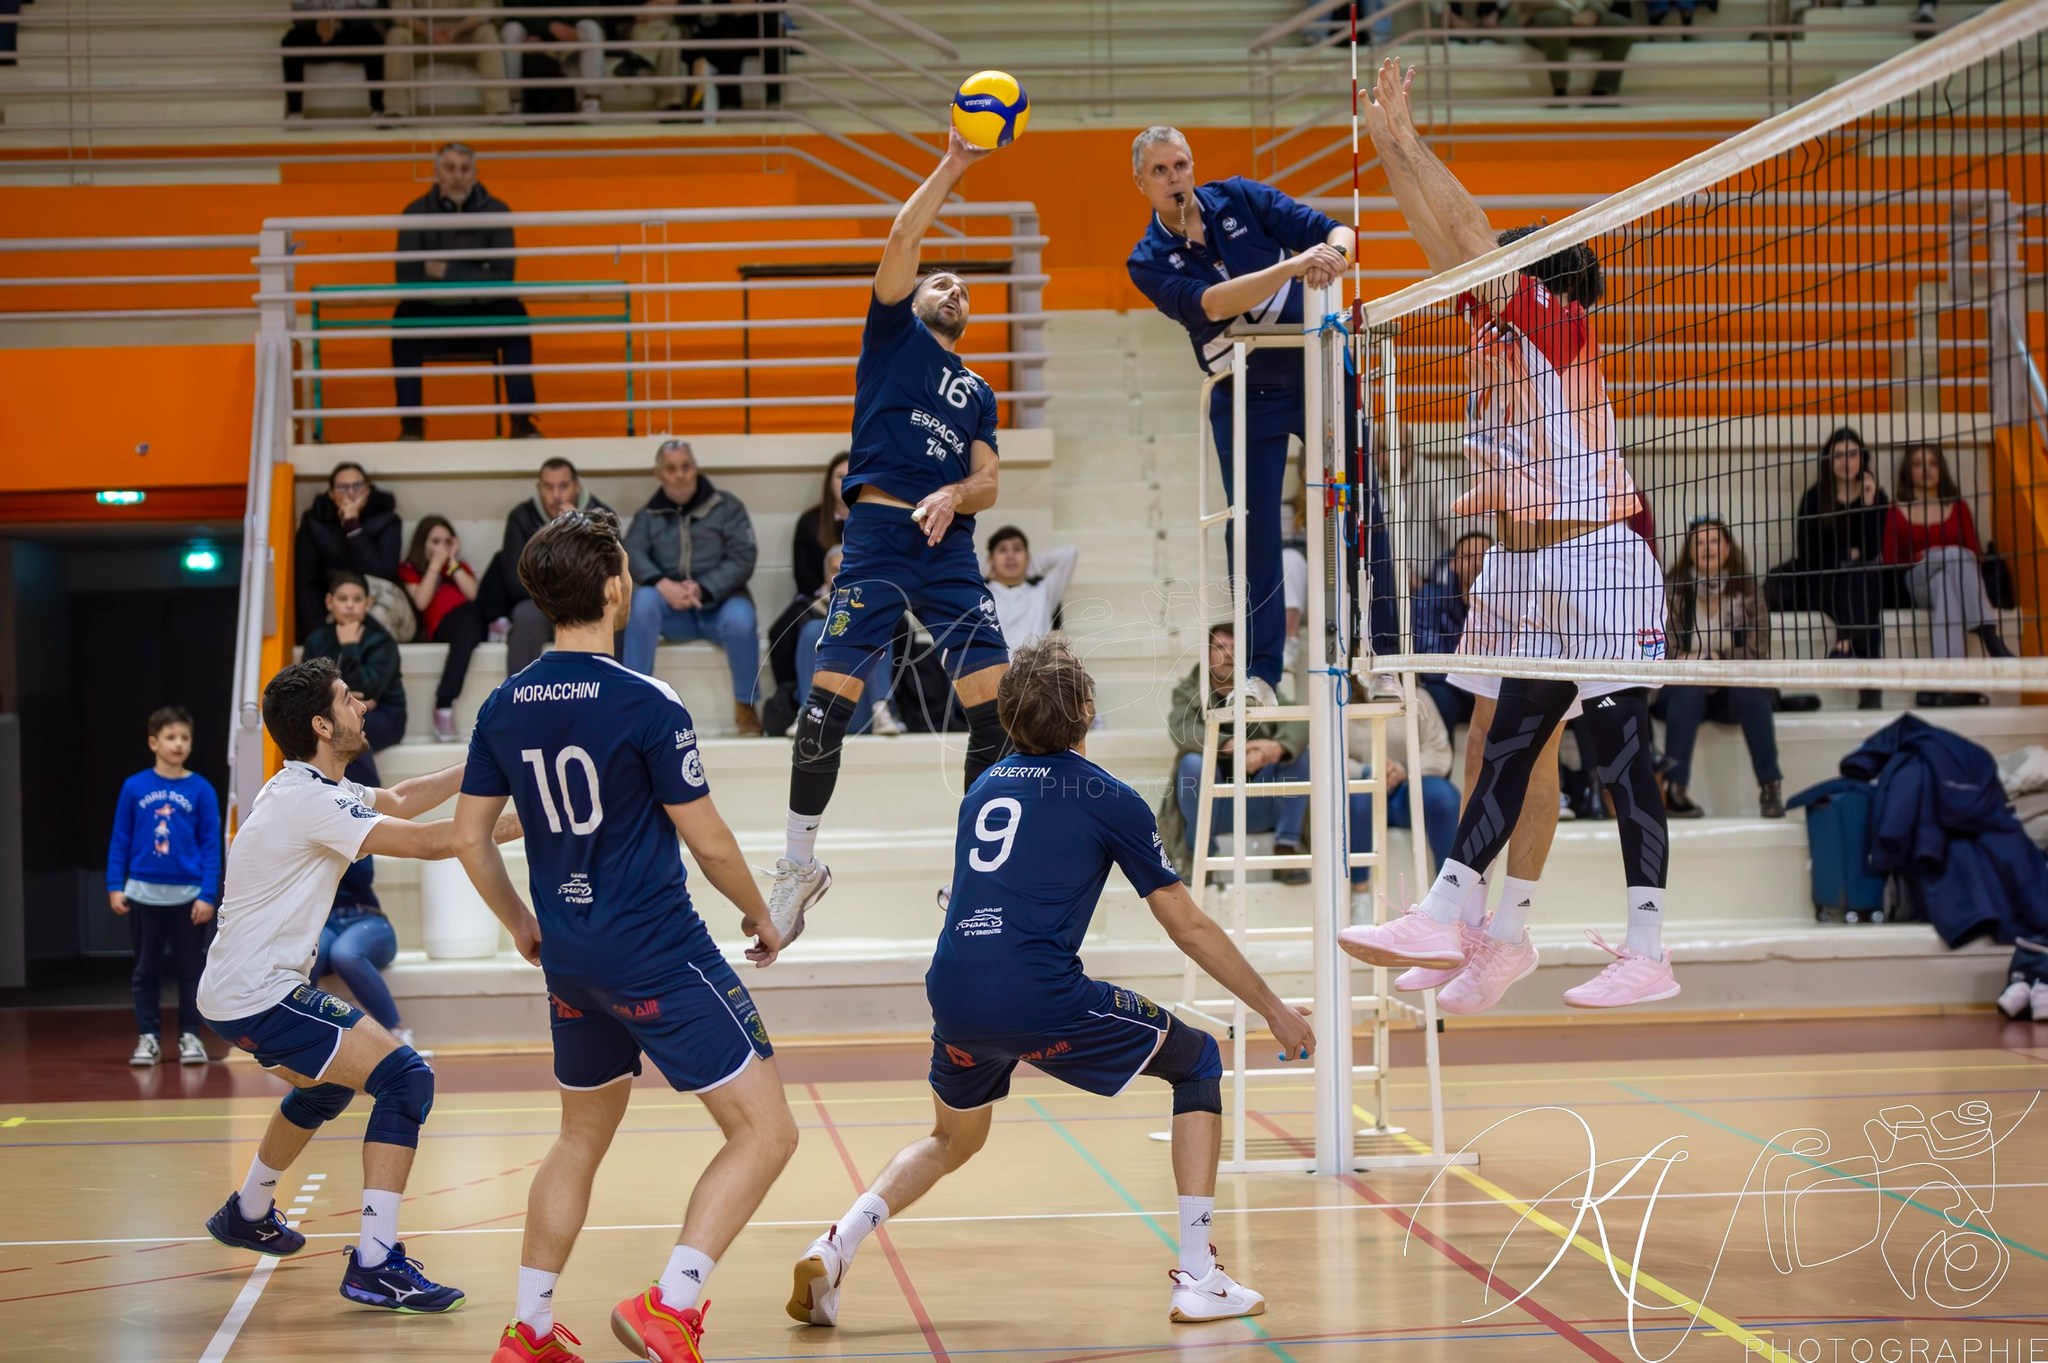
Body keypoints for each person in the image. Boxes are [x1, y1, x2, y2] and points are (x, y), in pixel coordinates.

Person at [788, 639, 1313, 1330]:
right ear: (1087, 709)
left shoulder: (983, 789)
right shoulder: (1109, 797)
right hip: (1035, 990)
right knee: (1197, 1060)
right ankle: (1197, 1274)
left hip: (954, 987)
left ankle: (836, 1244)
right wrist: (1272, 1007)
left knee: (952, 1139)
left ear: (1007, 716)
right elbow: (1186, 924)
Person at [1339, 59, 1674, 1016]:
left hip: (1595, 562)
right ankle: (1491, 932)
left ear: (1543, 273)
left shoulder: (1557, 323)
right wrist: (1387, 145)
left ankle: (1642, 944)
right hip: (1520, 568)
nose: (1487, 265)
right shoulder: (1497, 328)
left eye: (1510, 257)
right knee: (1492, 740)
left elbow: (1468, 235)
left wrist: (1408, 140)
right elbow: (1442, 241)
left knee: (1615, 756)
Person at [448, 507, 796, 1363]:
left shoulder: (502, 704)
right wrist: (761, 913)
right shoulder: (646, 700)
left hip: (568, 958)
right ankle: (668, 1306)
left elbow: (466, 837)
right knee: (768, 1132)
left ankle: (529, 1329)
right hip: (657, 951)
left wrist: (521, 923)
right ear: (613, 586)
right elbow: (708, 839)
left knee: (578, 1137)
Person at [196, 657, 518, 1313]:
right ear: (321, 723)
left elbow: (401, 800)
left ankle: (248, 1211)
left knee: (329, 1085)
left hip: (241, 987)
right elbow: (434, 842)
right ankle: (375, 1261)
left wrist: (494, 761)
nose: (361, 705)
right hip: (260, 990)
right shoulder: (311, 800)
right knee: (406, 1077)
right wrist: (532, 817)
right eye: (347, 699)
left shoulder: (311, 783)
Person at [766, 129, 1016, 944]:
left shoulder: (977, 389)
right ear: (912, 297)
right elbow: (904, 236)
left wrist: (954, 490)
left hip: (947, 544)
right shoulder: (892, 336)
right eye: (940, 280)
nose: (953, 287)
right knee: (823, 709)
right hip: (876, 535)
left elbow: (989, 481)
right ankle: (800, 864)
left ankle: (973, 877)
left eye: (963, 286)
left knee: (998, 714)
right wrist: (957, 162)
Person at [1126, 125, 1362, 708]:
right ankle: (1261, 674)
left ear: (1193, 165)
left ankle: (1370, 650)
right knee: (1250, 524)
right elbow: (1210, 304)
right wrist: (1293, 267)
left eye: (1180, 165)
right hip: (1244, 383)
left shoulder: (1240, 196)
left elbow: (1337, 232)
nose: (1174, 178)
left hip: (1318, 368)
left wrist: (1335, 254)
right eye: (1159, 171)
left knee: (1360, 499)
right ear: (1141, 183)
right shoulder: (1147, 259)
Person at [393, 143, 540, 441]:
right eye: (449, 168)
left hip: (483, 312)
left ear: (475, 175)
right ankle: (410, 428)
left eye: (465, 169)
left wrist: (445, 270)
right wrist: (477, 272)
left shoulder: (498, 211)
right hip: (432, 313)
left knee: (514, 316)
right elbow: (407, 280)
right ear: (436, 174)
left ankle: (523, 424)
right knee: (403, 320)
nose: (457, 176)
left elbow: (503, 278)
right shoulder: (414, 213)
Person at [620, 438, 764, 734]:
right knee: (643, 601)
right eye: (671, 469)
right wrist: (663, 584)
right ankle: (635, 701)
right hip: (673, 611)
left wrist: (703, 587)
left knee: (742, 619)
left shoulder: (728, 507)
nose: (680, 475)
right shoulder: (647, 516)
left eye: (686, 467)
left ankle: (746, 707)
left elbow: (743, 557)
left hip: (720, 603)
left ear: (695, 468)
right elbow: (631, 552)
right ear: (658, 475)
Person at [107, 706, 223, 1068]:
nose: (178, 744)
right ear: (153, 742)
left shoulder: (201, 789)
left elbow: (211, 846)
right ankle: (149, 1038)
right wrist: (115, 884)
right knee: (146, 970)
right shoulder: (134, 787)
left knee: (191, 972)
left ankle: (190, 1035)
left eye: (184, 738)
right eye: (171, 738)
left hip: (189, 898)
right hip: (143, 894)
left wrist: (208, 893)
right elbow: (120, 839)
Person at [1163, 623, 1311, 886]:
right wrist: (1232, 746)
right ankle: (1202, 855)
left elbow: (1297, 721)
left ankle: (1286, 849)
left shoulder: (1263, 689)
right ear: (1207, 655)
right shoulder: (1188, 692)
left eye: (1234, 647)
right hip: (1215, 808)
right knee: (1191, 763)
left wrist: (1275, 749)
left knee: (1298, 753)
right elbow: (1181, 730)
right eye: (1220, 647)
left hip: (1261, 800)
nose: (1228, 654)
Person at [1658, 517, 1783, 819]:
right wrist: (1698, 663)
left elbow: (1758, 648)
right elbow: (1664, 647)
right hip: (1682, 690)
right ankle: (1675, 790)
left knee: (1751, 689)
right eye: (1699, 542)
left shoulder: (1747, 587)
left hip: (1731, 690)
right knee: (1689, 689)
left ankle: (1770, 786)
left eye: (1714, 541)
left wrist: (1717, 662)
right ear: (1689, 550)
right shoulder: (1674, 589)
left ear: (1727, 548)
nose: (1707, 548)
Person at [1767, 425, 1894, 708]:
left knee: (1863, 574)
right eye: (1838, 456)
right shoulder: (1814, 498)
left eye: (1852, 454)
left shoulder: (1877, 497)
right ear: (1828, 460)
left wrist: (1869, 504)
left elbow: (1873, 550)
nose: (1846, 462)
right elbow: (1810, 552)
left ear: (1863, 458)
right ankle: (1865, 676)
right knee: (1853, 573)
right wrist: (1847, 556)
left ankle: (1845, 641)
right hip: (1821, 582)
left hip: (1859, 584)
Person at [1883, 439, 2013, 706]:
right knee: (1953, 554)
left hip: (1949, 581)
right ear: (1909, 471)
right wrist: (1928, 556)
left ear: (1941, 468)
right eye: (1918, 464)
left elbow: (1972, 553)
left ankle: (1949, 683)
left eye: (1932, 463)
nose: (1926, 470)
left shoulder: (1959, 507)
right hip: (1916, 580)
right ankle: (1989, 634)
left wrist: (1941, 556)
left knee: (1946, 580)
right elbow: (1890, 559)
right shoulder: (1897, 511)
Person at [480, 457, 619, 674]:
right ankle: (521, 699)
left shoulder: (600, 515)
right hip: (542, 604)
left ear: (577, 486)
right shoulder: (522, 517)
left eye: (563, 486)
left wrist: (578, 530)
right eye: (549, 487)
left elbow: (611, 572)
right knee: (525, 617)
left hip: (587, 602)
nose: (556, 495)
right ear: (539, 488)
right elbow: (516, 583)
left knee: (610, 610)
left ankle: (607, 695)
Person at [1345, 683, 1460, 896]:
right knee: (1357, 797)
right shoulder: (1342, 700)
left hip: (1408, 789)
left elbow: (1439, 752)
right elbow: (1330, 757)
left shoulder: (1419, 697)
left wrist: (1403, 769)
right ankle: (1359, 895)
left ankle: (1447, 897)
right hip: (1364, 790)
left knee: (1445, 798)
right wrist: (1370, 770)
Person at [303, 571, 407, 786]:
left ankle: (369, 804)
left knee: (345, 730)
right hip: (336, 712)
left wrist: (349, 647)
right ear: (329, 602)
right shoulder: (317, 639)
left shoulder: (382, 641)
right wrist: (346, 702)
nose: (350, 605)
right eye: (343, 599)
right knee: (331, 727)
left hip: (385, 715)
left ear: (367, 603)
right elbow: (310, 689)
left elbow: (368, 690)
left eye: (357, 599)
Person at [766, 452, 851, 707]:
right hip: (819, 598)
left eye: (851, 475)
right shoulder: (810, 522)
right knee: (779, 632)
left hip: (862, 600)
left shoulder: (873, 521)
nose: (845, 482)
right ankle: (792, 695)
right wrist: (826, 592)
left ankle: (888, 704)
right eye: (839, 476)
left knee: (902, 630)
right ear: (828, 482)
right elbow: (802, 575)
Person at [795, 545, 900, 738]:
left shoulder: (882, 602)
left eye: (846, 569)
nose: (840, 575)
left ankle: (881, 710)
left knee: (874, 630)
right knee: (812, 631)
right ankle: (807, 712)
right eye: (835, 570)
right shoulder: (806, 608)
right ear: (826, 576)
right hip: (825, 704)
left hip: (865, 703)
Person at [295, 462, 403, 644]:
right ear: (331, 493)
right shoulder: (314, 523)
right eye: (343, 488)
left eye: (357, 486)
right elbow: (306, 581)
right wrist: (315, 632)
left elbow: (383, 572)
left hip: (376, 603)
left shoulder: (388, 520)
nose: (351, 493)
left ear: (368, 490)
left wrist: (353, 526)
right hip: (331, 607)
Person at [399, 514, 484, 742]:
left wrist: (452, 563)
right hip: (443, 623)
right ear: (422, 542)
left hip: (469, 619)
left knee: (473, 616)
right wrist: (435, 565)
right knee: (469, 621)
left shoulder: (457, 566)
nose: (442, 547)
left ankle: (445, 703)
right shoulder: (411, 569)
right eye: (435, 541)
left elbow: (473, 594)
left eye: (447, 542)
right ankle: (443, 703)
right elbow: (421, 602)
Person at [312, 857, 412, 1047]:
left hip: (366, 919)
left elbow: (363, 876)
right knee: (307, 952)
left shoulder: (351, 830)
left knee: (345, 954)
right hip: (323, 924)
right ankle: (299, 1036)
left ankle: (397, 1035)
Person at [1413, 530, 1493, 729]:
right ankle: (1442, 759)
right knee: (1438, 695)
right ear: (1453, 563)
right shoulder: (1428, 599)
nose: (1476, 564)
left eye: (1483, 557)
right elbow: (1431, 661)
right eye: (1467, 557)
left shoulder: (1509, 599)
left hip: (1494, 686)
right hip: (1454, 686)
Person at [382, 0, 509, 121]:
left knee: (487, 32)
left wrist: (456, 31)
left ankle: (499, 110)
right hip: (422, 39)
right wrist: (429, 31)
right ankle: (395, 111)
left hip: (462, 37)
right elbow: (399, 12)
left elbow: (483, 11)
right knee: (397, 35)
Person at [1509, 0, 1634, 104]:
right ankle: (1560, 92)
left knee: (1622, 27)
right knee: (1554, 21)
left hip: (1583, 15)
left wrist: (1593, 11)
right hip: (1542, 15)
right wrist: (1568, 9)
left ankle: (1602, 93)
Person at [282, 0, 387, 122]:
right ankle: (295, 112)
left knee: (373, 38)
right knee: (291, 42)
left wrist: (340, 23)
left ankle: (378, 108)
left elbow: (372, 8)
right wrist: (316, 24)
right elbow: (298, 10)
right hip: (315, 32)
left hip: (351, 30)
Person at [503, 1, 607, 118]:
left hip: (571, 29)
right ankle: (513, 103)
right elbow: (513, 10)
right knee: (511, 30)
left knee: (591, 28)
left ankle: (590, 102)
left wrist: (565, 31)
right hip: (531, 30)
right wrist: (547, 27)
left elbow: (591, 9)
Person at [983, 525, 1078, 653]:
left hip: (1036, 670)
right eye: (1002, 550)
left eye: (1017, 549)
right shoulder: (982, 593)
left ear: (1028, 557)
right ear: (991, 559)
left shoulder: (1043, 592)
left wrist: (1030, 567)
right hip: (994, 669)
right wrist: (987, 569)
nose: (1010, 555)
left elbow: (1069, 553)